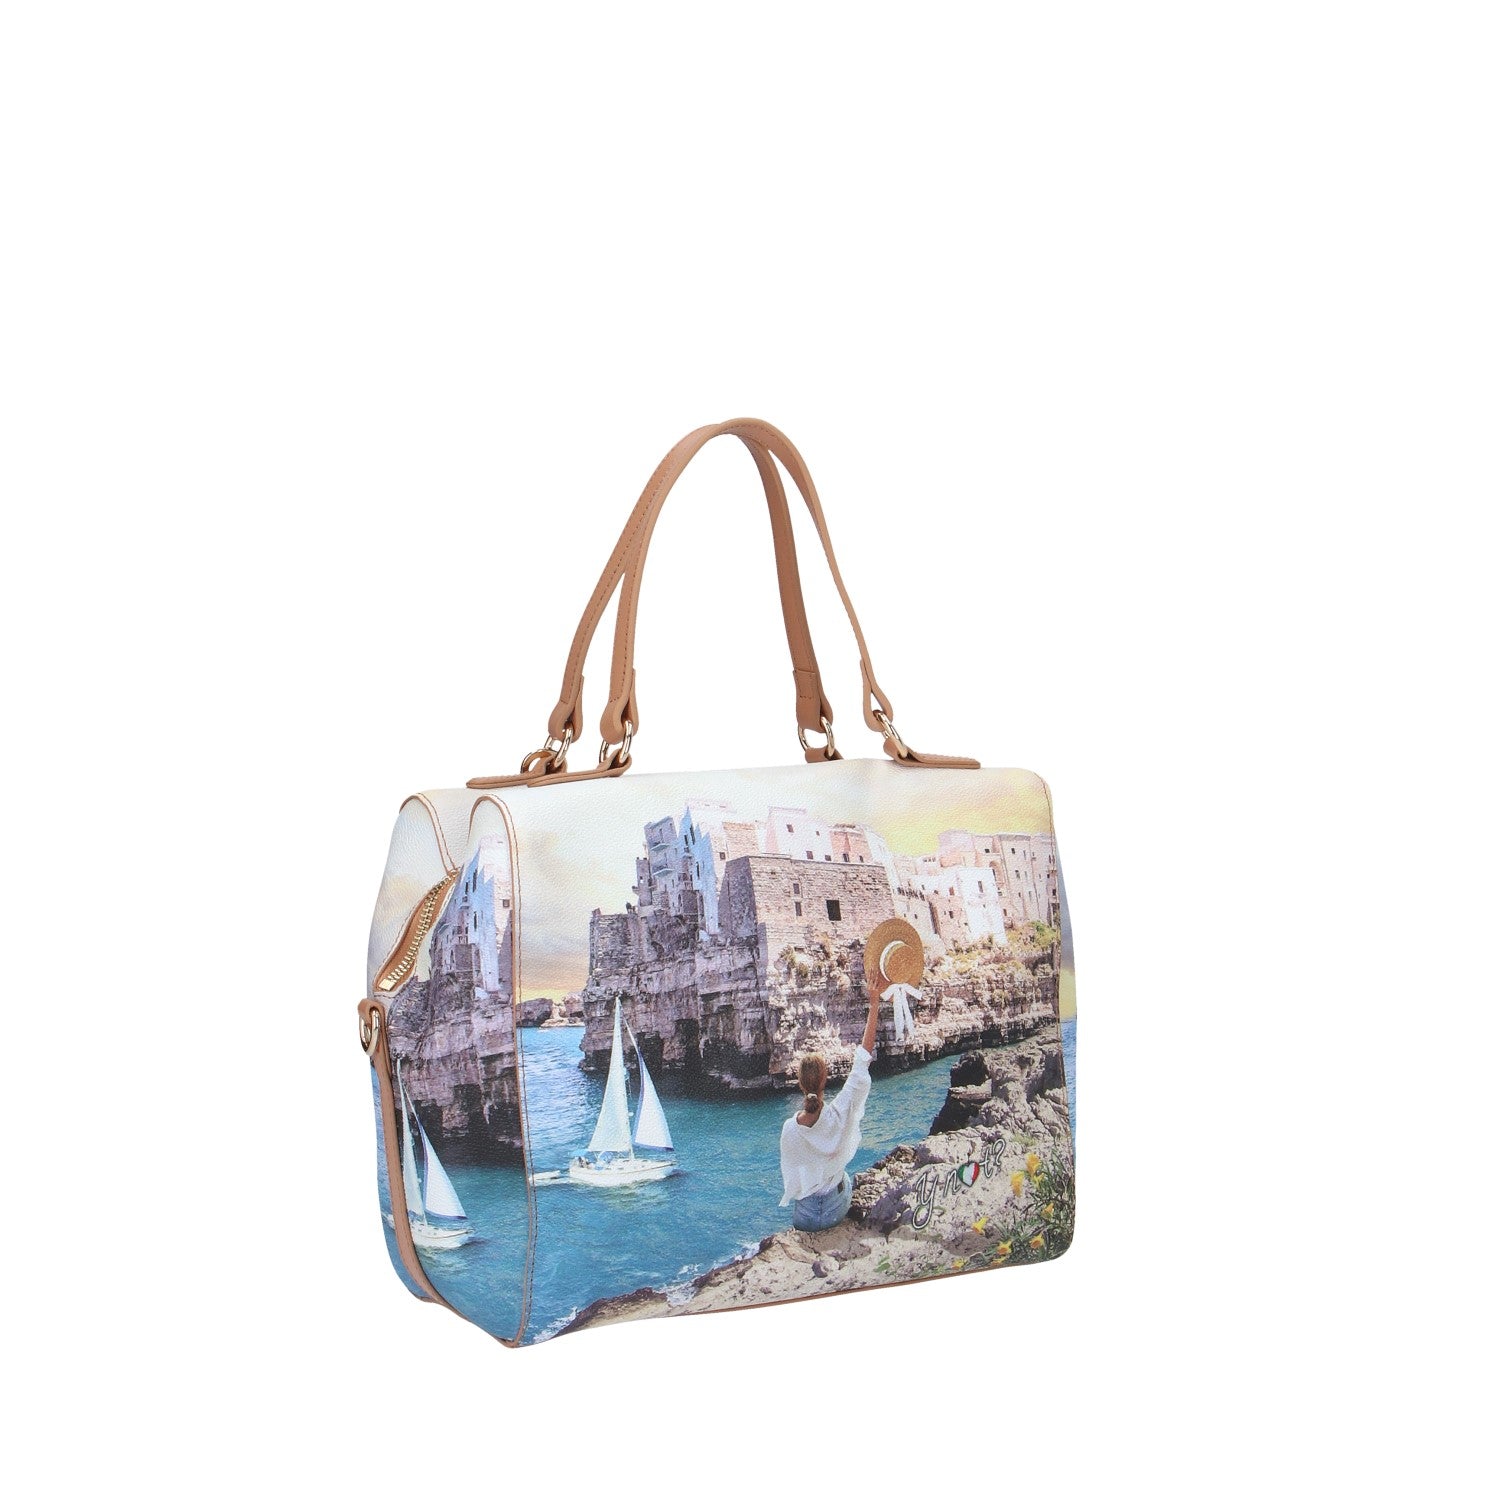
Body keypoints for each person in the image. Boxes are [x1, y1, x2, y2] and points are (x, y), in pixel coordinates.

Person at [779, 985, 881, 1231]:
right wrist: (874, 1003)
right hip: (836, 1209)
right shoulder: (839, 1111)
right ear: (825, 1080)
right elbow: (863, 1059)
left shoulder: (789, 1129)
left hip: (804, 1217)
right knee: (843, 1176)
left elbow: (793, 1174)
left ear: (800, 1083)